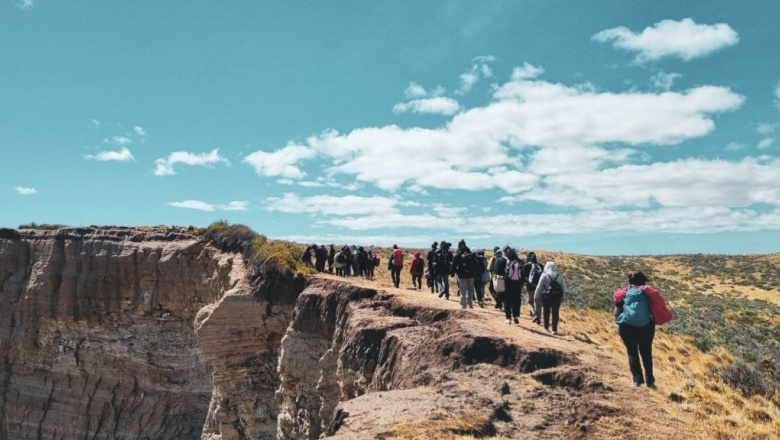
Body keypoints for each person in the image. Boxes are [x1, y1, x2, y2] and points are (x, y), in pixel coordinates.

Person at [613, 271, 658, 388]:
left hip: (627, 326)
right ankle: (650, 381)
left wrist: (619, 321)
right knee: (646, 352)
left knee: (632, 352)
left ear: (629, 281)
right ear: (643, 281)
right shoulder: (648, 292)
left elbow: (617, 310)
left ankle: (637, 380)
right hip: (646, 327)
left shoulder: (623, 293)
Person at [534, 261, 565, 335]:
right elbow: (563, 287)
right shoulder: (559, 275)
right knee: (555, 312)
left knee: (546, 311)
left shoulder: (544, 275)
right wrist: (563, 296)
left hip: (546, 296)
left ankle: (546, 326)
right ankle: (554, 329)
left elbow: (539, 287)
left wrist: (536, 296)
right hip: (557, 296)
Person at [450, 239, 479, 310]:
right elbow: (476, 264)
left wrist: (452, 273)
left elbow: (454, 265)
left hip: (462, 275)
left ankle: (463, 305)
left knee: (463, 290)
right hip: (471, 275)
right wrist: (477, 274)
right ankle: (470, 304)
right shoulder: (471, 253)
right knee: (470, 290)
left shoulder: (458, 254)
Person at [503, 248, 524, 324]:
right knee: (517, 301)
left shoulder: (508, 262)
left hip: (508, 284)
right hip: (517, 285)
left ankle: (508, 318)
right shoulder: (521, 262)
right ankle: (516, 316)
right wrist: (520, 284)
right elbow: (523, 276)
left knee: (507, 301)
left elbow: (505, 275)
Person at [523, 252, 543, 322]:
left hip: (530, 286)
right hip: (539, 287)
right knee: (538, 303)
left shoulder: (526, 266)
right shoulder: (540, 266)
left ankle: (534, 314)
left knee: (530, 302)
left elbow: (523, 277)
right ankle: (539, 320)